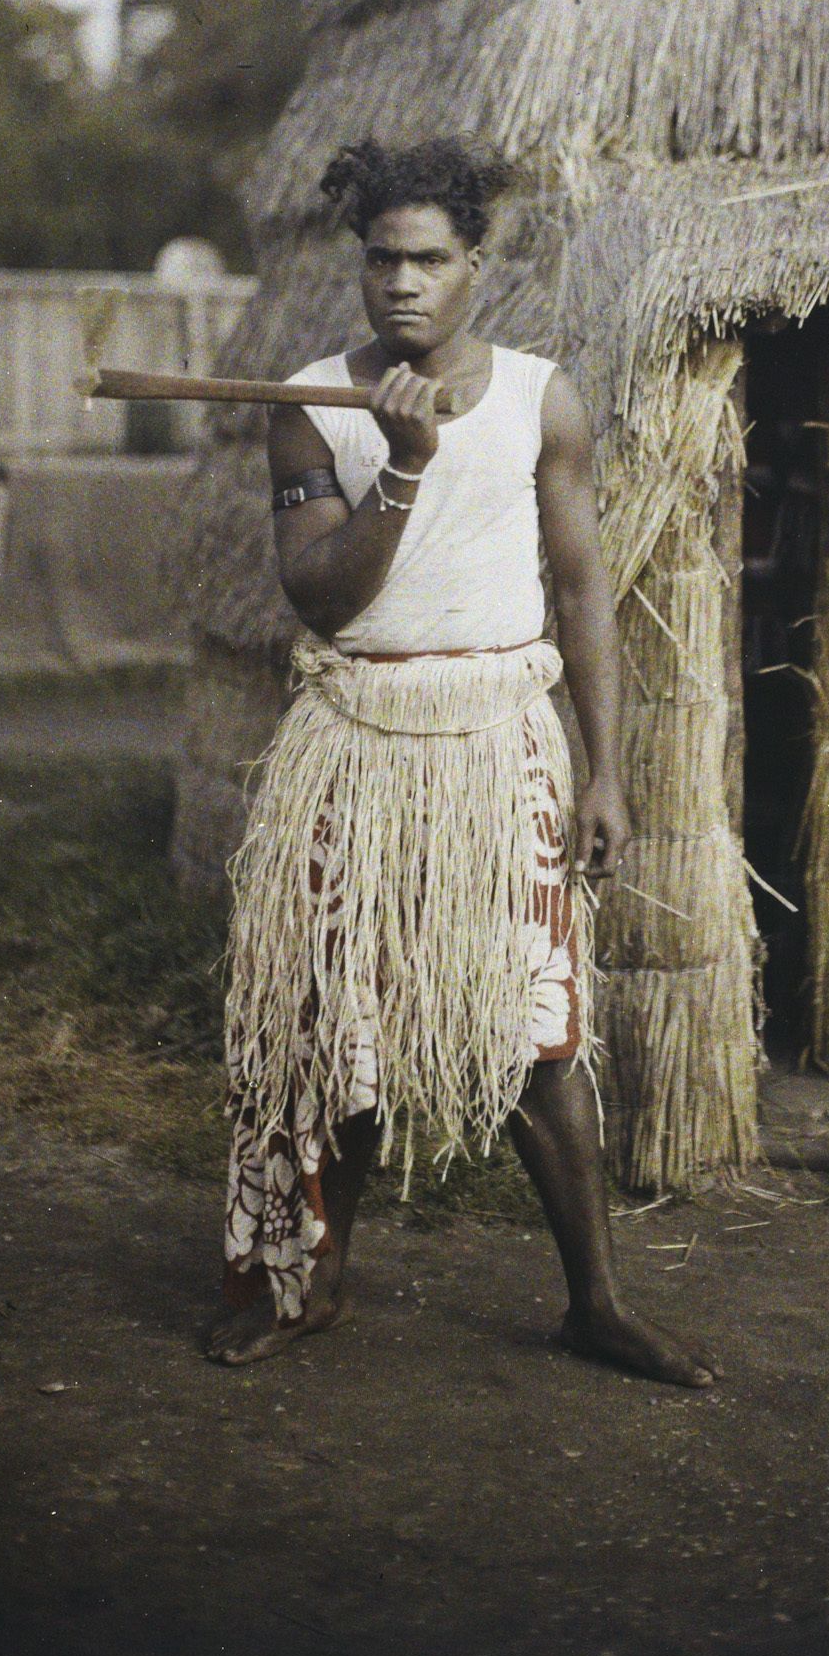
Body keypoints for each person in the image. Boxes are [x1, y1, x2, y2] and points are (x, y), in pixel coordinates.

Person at [203, 136, 720, 1388]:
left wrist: (603, 769)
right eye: (382, 259)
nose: (403, 284)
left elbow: (585, 588)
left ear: (475, 266)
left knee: (541, 1037)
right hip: (355, 740)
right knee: (328, 1024)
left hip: (501, 746)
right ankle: (312, 1281)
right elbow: (320, 597)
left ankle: (594, 1299)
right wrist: (405, 471)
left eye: (430, 260)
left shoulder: (545, 396)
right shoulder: (311, 401)